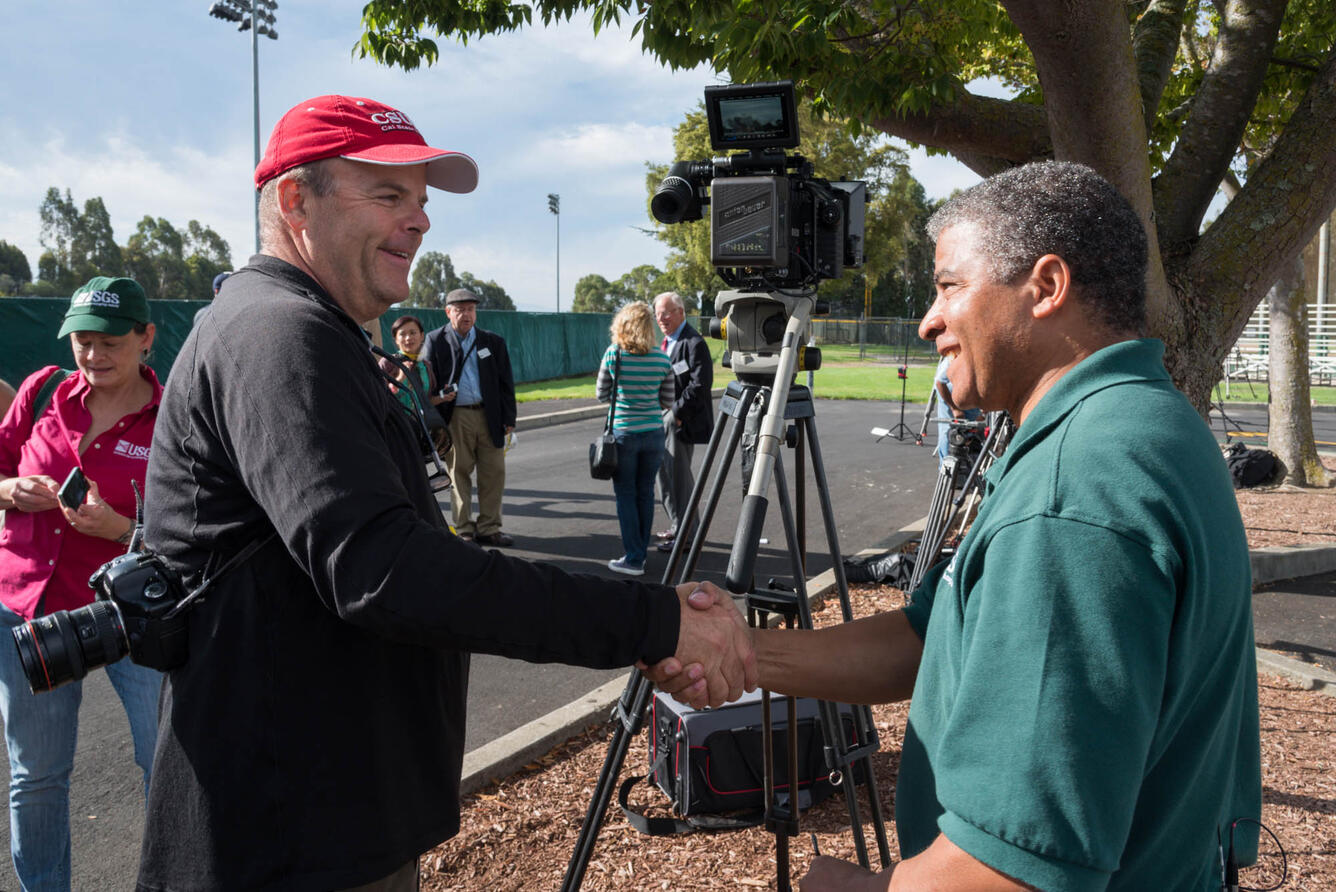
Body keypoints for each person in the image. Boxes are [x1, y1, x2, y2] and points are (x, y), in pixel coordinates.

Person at [136, 93, 755, 892]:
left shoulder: (302, 327)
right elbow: (387, 570)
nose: (421, 220)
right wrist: (653, 619)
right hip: (290, 840)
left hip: (324, 815)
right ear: (296, 200)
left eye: (422, 201)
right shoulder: (276, 335)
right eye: (389, 194)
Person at [649, 161, 1261, 891]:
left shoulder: (1075, 490)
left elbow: (1012, 871)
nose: (928, 321)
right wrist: (745, 654)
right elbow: (926, 636)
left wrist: (854, 889)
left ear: (1046, 287)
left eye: (949, 287)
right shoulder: (1143, 422)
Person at [0, 276, 164, 892]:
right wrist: (12, 490)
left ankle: (170, 878)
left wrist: (119, 526)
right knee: (36, 775)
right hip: (29, 609)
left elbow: (193, 533)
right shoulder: (42, 393)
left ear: (146, 338)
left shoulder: (173, 416)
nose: (94, 356)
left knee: (166, 761)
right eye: (83, 341)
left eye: (110, 342)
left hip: (133, 615)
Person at [421, 288, 516, 546]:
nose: (467, 314)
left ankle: (489, 527)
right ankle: (463, 529)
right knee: (457, 473)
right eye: (460, 309)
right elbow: (427, 385)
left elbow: (505, 382)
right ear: (448, 312)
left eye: (471, 309)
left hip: (490, 415)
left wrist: (509, 418)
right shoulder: (435, 340)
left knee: (493, 472)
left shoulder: (492, 341)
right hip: (455, 417)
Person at [596, 302, 674, 576]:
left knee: (626, 496)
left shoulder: (614, 354)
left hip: (624, 433)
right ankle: (640, 552)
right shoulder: (661, 358)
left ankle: (634, 557)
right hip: (654, 433)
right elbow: (668, 400)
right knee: (645, 494)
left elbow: (602, 394)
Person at [652, 291, 713, 553]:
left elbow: (700, 386)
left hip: (681, 423)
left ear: (681, 313)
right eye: (658, 314)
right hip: (661, 421)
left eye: (666, 313)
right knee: (663, 479)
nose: (661, 319)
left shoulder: (694, 343)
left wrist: (675, 413)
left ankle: (688, 536)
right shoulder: (664, 344)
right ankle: (678, 526)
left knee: (679, 480)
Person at [378, 314, 449, 458]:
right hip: (395, 432)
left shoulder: (426, 365)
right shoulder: (387, 363)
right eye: (402, 334)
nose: (408, 338)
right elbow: (380, 398)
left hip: (421, 431)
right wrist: (400, 377)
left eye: (413, 333)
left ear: (422, 336)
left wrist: (443, 397)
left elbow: (425, 401)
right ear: (396, 339)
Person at [932, 354, 982, 466]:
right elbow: (940, 382)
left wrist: (982, 410)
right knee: (949, 432)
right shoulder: (956, 354)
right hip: (950, 394)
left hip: (968, 396)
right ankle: (946, 469)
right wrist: (954, 409)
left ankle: (966, 471)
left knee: (969, 436)